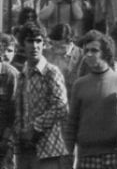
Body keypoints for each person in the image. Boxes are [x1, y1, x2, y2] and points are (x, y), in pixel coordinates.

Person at [65, 30, 117, 169]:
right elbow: (72, 122)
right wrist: (68, 153)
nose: (89, 54)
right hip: (86, 154)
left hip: (113, 153)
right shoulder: (79, 84)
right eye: (86, 50)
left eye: (94, 50)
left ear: (105, 52)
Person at [14, 22, 71, 169]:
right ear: (22, 44)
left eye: (38, 41)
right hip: (24, 150)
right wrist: (20, 133)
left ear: (44, 44)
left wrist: (35, 127)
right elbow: (19, 111)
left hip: (47, 149)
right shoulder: (22, 75)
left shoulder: (51, 72)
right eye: (30, 41)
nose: (34, 46)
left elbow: (61, 106)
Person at [0, 40, 17, 169]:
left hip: (3, 139)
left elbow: (15, 110)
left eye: (8, 50)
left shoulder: (12, 75)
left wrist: (6, 139)